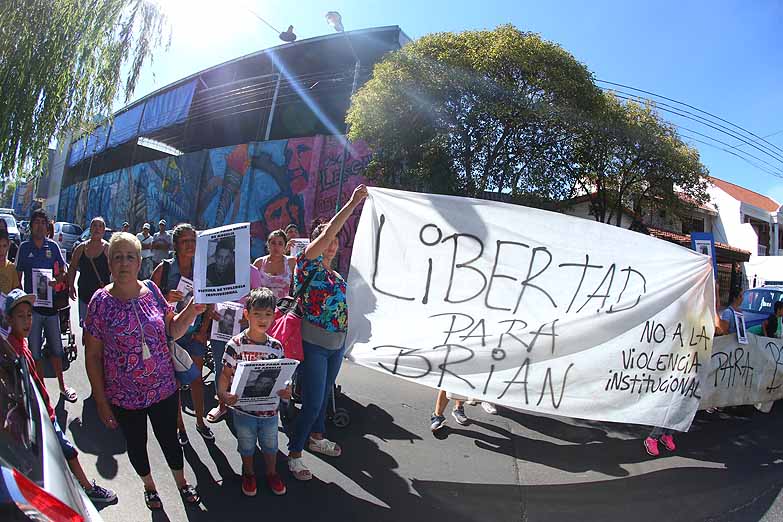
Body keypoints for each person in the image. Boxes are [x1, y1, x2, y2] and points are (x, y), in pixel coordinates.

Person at [84, 232, 204, 510]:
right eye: (117, 257)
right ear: (110, 263)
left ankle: (182, 482)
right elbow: (92, 356)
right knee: (137, 446)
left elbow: (171, 331)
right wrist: (101, 401)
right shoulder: (100, 303)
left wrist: (191, 311)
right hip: (124, 397)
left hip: (163, 388)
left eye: (129, 257)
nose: (123, 263)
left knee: (171, 442)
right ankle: (149, 486)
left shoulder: (152, 290)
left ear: (139, 262)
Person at [287, 184, 368, 480]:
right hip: (315, 344)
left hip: (336, 346)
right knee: (312, 402)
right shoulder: (307, 265)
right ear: (318, 241)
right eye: (327, 239)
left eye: (335, 241)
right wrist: (352, 202)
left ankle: (317, 438)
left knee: (323, 398)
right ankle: (294, 454)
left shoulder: (336, 275)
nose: (332, 244)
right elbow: (329, 230)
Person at [6, 289, 117, 504]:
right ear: (9, 319)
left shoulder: (22, 344)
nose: (27, 321)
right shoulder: (11, 350)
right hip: (38, 417)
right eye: (20, 316)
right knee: (68, 452)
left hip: (44, 412)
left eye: (29, 315)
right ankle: (87, 489)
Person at [217, 287, 290, 496]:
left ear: (274, 316)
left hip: (269, 411)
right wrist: (223, 395)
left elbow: (283, 377)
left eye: (268, 314)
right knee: (246, 445)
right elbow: (225, 374)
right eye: (257, 313)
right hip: (243, 410)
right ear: (247, 314)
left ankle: (272, 473)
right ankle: (248, 473)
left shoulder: (276, 346)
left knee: (270, 445)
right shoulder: (235, 345)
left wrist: (287, 391)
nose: (263, 319)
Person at [152, 223, 215, 444]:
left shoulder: (203, 269)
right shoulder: (164, 269)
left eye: (193, 241)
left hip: (195, 334)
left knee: (197, 379)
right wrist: (167, 298)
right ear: (176, 245)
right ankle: (180, 428)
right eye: (185, 241)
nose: (190, 245)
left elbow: (211, 301)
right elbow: (149, 303)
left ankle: (200, 421)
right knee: (175, 383)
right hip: (171, 335)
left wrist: (204, 330)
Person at [16, 210, 76, 402]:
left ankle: (62, 386)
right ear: (31, 225)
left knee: (57, 349)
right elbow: (17, 279)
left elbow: (64, 271)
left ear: (47, 226)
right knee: (35, 352)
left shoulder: (53, 247)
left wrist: (55, 280)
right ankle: (40, 387)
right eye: (37, 222)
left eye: (43, 222)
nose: (40, 226)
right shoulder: (24, 248)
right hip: (31, 311)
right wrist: (22, 301)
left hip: (50, 309)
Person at [67, 217, 110, 329]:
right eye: (94, 225)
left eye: (100, 226)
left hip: (102, 298)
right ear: (90, 229)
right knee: (86, 327)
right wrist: (71, 286)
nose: (97, 228)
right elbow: (72, 267)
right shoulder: (81, 248)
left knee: (101, 328)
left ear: (103, 230)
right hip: (84, 295)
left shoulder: (108, 249)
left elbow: (115, 271)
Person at [253, 229, 295, 300]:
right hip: (262, 307)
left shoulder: (291, 262)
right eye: (273, 243)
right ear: (268, 244)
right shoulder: (259, 263)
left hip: (284, 307)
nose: (276, 246)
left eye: (280, 244)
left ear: (285, 246)